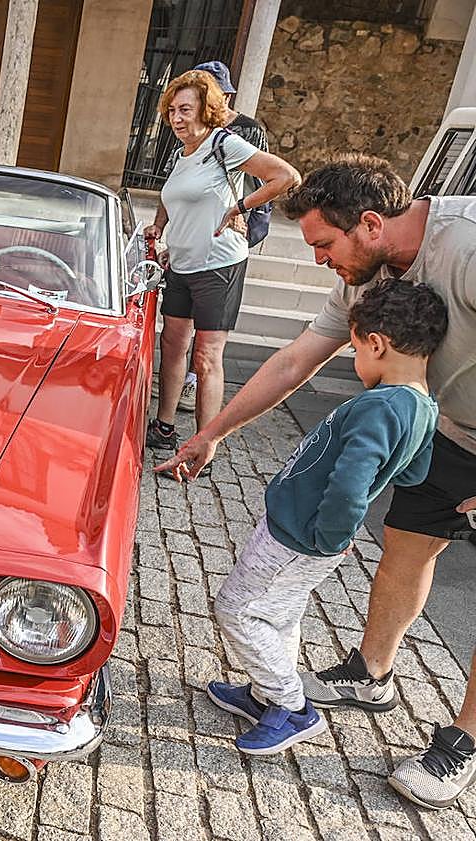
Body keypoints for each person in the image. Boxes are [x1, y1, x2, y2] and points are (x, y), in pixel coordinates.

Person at [156, 154, 476, 809]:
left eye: (323, 245)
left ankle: (464, 740)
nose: (321, 260)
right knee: (405, 547)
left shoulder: (468, 246)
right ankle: (372, 671)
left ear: (368, 223)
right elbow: (298, 358)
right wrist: (213, 430)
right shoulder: (368, 273)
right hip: (437, 427)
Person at [209, 278, 445, 755]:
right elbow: (414, 472)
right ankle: (265, 695)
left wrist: (331, 534)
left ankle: (292, 707)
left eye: (355, 350)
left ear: (376, 344)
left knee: (236, 610)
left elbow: (351, 483)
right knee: (279, 616)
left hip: (297, 537)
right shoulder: (424, 407)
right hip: (314, 540)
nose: (355, 361)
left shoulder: (381, 405)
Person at [143, 69, 300, 458]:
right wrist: (160, 226)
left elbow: (286, 176)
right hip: (180, 263)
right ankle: (163, 426)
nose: (178, 118)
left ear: (206, 109)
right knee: (173, 343)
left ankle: (202, 443)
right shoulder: (182, 154)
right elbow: (171, 195)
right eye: (173, 111)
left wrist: (241, 207)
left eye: (186, 109)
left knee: (207, 356)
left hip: (219, 265)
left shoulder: (223, 144)